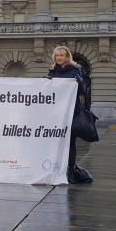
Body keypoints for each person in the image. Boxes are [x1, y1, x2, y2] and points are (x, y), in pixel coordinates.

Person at [46, 45, 92, 185]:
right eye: (57, 55)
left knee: (70, 142)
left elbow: (83, 93)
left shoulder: (75, 70)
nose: (59, 58)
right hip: (56, 112)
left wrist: (79, 83)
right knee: (57, 142)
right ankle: (57, 168)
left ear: (67, 57)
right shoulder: (52, 72)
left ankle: (70, 171)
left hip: (71, 111)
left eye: (62, 55)